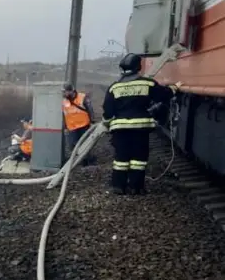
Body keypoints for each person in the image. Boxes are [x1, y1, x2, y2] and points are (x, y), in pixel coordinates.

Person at [102, 53, 181, 195]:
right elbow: (163, 94)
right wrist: (174, 88)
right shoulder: (146, 83)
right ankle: (136, 187)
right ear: (138, 67)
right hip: (140, 129)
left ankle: (118, 187)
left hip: (120, 130)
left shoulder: (114, 87)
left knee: (121, 159)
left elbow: (108, 111)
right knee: (138, 158)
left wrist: (108, 122)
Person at [62, 83, 95, 165]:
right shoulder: (64, 101)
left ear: (71, 91)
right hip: (72, 127)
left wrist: (92, 122)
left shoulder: (82, 97)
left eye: (65, 92)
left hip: (83, 126)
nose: (64, 94)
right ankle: (78, 162)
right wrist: (65, 127)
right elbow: (64, 114)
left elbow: (90, 110)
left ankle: (88, 162)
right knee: (72, 146)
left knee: (85, 144)